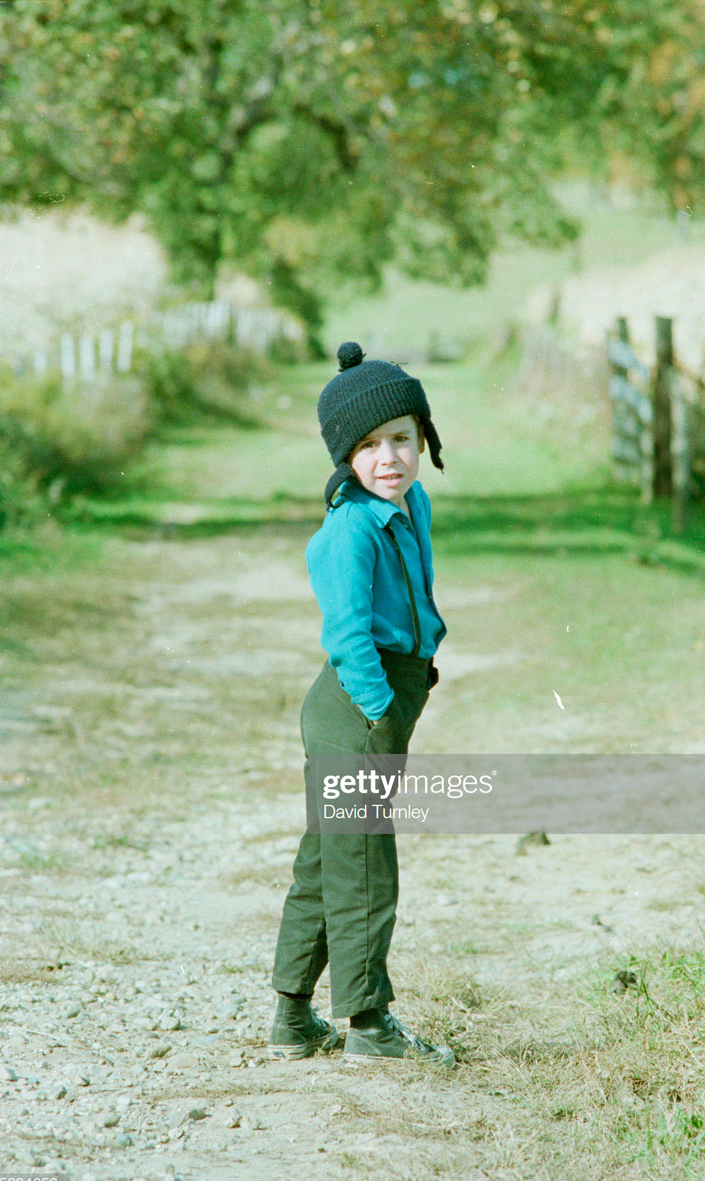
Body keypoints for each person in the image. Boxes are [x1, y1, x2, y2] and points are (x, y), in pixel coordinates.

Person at [268, 341, 454, 1067]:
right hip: (356, 705)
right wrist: (380, 709)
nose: (389, 458)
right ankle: (369, 1023)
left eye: (403, 440)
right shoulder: (347, 531)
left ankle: (291, 1015)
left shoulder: (411, 507)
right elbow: (347, 635)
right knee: (366, 863)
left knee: (328, 856)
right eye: (369, 446)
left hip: (391, 695)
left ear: (424, 442)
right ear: (345, 456)